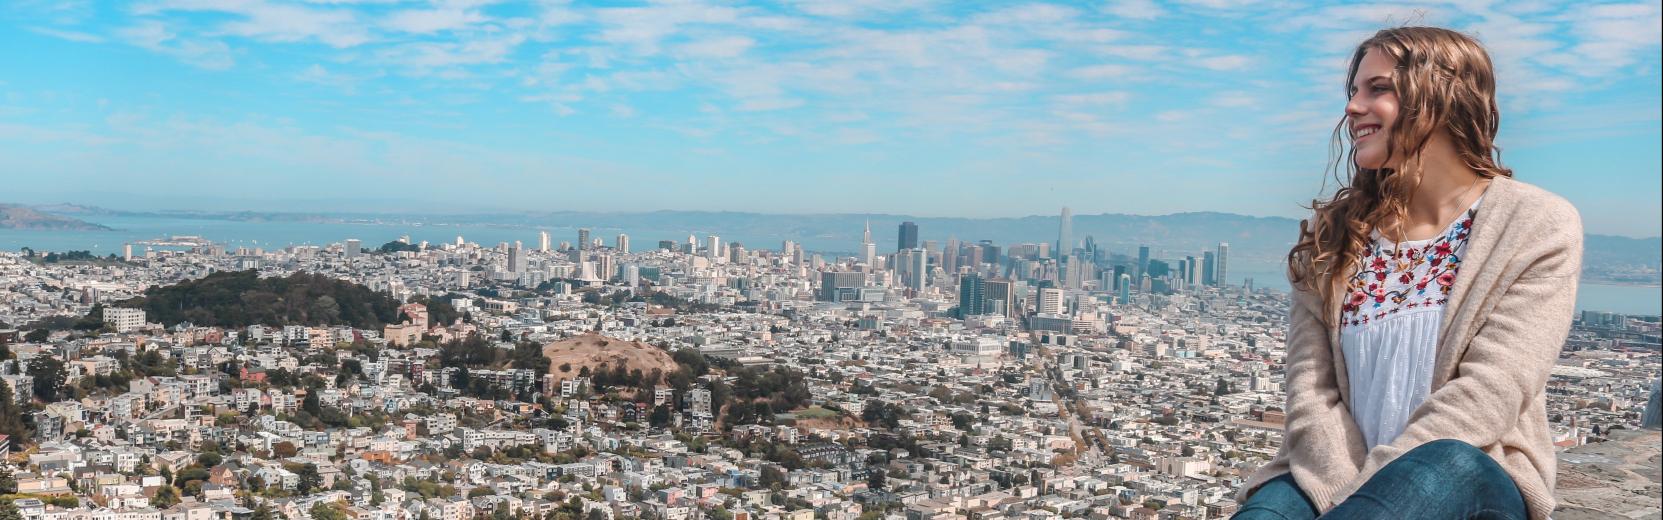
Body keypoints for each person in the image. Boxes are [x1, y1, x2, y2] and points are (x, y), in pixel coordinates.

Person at [1233, 27, 1582, 520]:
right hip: (1336, 475)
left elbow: (1491, 391)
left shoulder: (1534, 224)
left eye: (1377, 89)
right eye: (1353, 92)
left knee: (1445, 465)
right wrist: (1349, 492)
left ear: (1442, 97)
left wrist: (1375, 489)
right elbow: (1311, 390)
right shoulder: (1336, 232)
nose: (1352, 108)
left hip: (1471, 476)